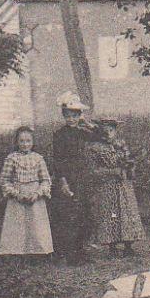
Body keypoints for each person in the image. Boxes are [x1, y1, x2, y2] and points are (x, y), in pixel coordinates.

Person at [49, 92, 98, 265]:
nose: (71, 119)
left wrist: (87, 123)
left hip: (82, 177)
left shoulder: (81, 132)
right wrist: (62, 180)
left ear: (79, 116)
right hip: (67, 178)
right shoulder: (60, 135)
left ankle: (80, 251)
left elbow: (101, 135)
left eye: (75, 116)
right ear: (63, 116)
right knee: (69, 215)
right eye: (68, 116)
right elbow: (57, 160)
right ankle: (67, 254)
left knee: (85, 214)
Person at [85, 118, 145, 255]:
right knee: (111, 214)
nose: (108, 134)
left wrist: (130, 166)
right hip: (108, 186)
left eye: (111, 131)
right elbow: (94, 171)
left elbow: (129, 161)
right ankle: (112, 246)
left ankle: (128, 245)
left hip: (124, 186)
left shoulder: (120, 145)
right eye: (104, 131)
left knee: (126, 213)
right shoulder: (95, 148)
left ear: (116, 131)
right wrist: (112, 172)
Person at [0, 127, 53, 257]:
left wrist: (37, 193)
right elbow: (4, 180)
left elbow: (45, 180)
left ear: (33, 142)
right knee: (18, 224)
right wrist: (16, 194)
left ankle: (38, 254)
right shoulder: (11, 158)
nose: (25, 144)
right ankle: (16, 254)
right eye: (21, 141)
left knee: (36, 224)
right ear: (17, 142)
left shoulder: (38, 158)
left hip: (35, 195)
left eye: (28, 141)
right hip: (18, 196)